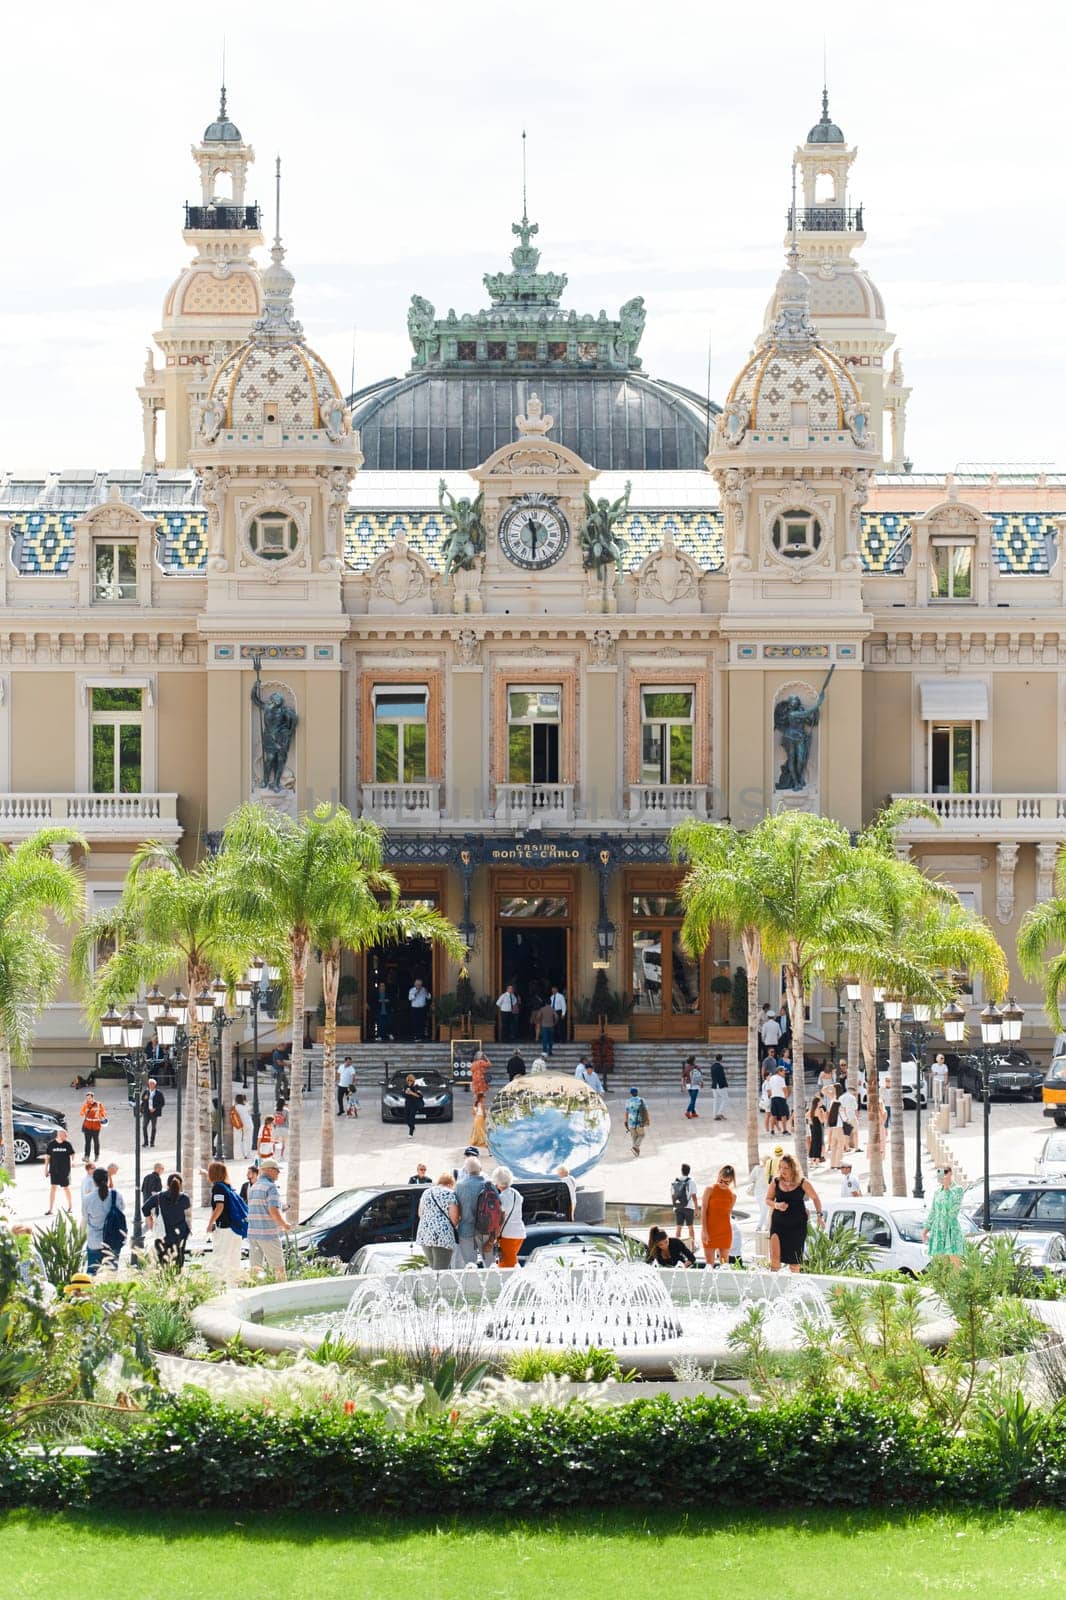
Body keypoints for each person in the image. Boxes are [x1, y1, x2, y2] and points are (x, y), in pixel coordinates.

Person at [766, 1153, 823, 1274]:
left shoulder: (803, 1183)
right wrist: (777, 1205)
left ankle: (793, 1288)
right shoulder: (775, 1182)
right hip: (778, 1224)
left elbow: (816, 1198)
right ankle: (773, 1288)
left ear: (793, 1168)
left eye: (786, 1168)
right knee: (775, 1258)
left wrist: (819, 1216)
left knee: (794, 1261)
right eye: (780, 1167)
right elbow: (768, 1200)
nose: (782, 1170)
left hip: (797, 1226)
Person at [247, 1158, 290, 1278]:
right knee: (279, 1269)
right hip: (268, 1234)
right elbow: (273, 1210)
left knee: (256, 1270)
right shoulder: (271, 1187)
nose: (278, 1173)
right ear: (269, 1170)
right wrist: (284, 1225)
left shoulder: (253, 1187)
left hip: (253, 1234)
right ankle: (282, 1294)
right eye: (276, 1170)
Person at [205, 1160, 246, 1281]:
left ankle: (218, 1287)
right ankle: (233, 1287)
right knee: (234, 1260)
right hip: (235, 1229)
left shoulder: (218, 1187)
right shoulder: (228, 1187)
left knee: (220, 1258)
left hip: (225, 1228)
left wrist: (210, 1223)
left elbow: (219, 1206)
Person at [142, 1172, 191, 1270]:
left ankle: (165, 1282)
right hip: (180, 1234)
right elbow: (187, 1206)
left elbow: (145, 1208)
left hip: (163, 1234)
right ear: (180, 1185)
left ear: (167, 1184)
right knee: (178, 1261)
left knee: (162, 1264)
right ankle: (177, 1281)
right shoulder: (184, 1198)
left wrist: (150, 1220)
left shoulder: (159, 1197)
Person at [450, 1154, 490, 1267]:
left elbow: (455, 1207)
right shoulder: (489, 1185)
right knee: (490, 1264)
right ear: (480, 1169)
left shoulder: (459, 1186)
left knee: (470, 1265)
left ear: (466, 1170)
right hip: (485, 1230)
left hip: (466, 1229)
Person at [84, 1166, 126, 1275]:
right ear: (107, 1179)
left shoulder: (88, 1199)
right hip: (113, 1240)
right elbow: (122, 1210)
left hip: (94, 1240)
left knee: (93, 1274)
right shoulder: (116, 1195)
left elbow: (84, 1220)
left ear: (94, 1181)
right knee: (112, 1274)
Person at [923, 1165, 965, 1265]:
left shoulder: (958, 1190)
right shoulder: (937, 1192)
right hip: (938, 1230)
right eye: (940, 1172)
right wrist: (925, 1231)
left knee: (955, 1266)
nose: (943, 1175)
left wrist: (947, 1189)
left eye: (945, 1172)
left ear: (950, 1173)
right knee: (940, 1265)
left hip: (951, 1230)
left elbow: (953, 1211)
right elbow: (933, 1212)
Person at [416, 1172, 457, 1269]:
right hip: (442, 1236)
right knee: (441, 1270)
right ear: (451, 1183)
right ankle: (439, 1285)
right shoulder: (450, 1193)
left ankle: (433, 1284)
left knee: (433, 1268)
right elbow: (454, 1218)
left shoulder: (426, 1192)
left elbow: (420, 1214)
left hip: (425, 1235)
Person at [702, 1165, 737, 1267]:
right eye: (721, 1181)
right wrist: (704, 1231)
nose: (723, 1184)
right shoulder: (710, 1189)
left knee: (724, 1264)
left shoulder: (732, 1196)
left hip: (725, 1232)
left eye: (727, 1182)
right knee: (709, 1264)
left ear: (731, 1181)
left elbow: (727, 1215)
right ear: (718, 1176)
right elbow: (704, 1210)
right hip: (709, 1230)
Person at [494, 1166, 526, 1267]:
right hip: (519, 1232)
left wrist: (495, 1234)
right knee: (510, 1260)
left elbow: (500, 1218)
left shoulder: (502, 1197)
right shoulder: (516, 1193)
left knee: (507, 1265)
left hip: (508, 1234)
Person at [44, 1125, 75, 1214]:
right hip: (54, 1170)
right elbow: (47, 1157)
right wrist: (46, 1169)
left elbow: (72, 1154)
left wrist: (73, 1161)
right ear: (60, 1135)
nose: (66, 1137)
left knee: (66, 1187)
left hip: (65, 1170)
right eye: (65, 1135)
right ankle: (50, 1209)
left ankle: (70, 1207)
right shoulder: (51, 1144)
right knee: (53, 1187)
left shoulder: (67, 1144)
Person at [671, 1162, 698, 1246]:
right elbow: (694, 1196)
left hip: (678, 1207)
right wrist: (697, 1209)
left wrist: (675, 1206)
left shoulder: (675, 1181)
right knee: (690, 1227)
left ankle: (676, 1246)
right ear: (689, 1171)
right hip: (689, 1207)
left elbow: (673, 1195)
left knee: (678, 1228)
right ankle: (692, 1246)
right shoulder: (691, 1182)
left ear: (681, 1171)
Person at [624, 1086, 650, 1156]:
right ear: (637, 1092)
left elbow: (626, 1112)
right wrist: (647, 1120)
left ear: (631, 1093)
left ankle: (636, 1151)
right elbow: (646, 1111)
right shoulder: (641, 1100)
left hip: (631, 1122)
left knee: (634, 1136)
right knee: (642, 1135)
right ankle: (635, 1147)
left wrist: (625, 1122)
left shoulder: (628, 1101)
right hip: (639, 1122)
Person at [79, 1093, 106, 1161]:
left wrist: (99, 1114)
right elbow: (81, 1113)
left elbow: (104, 1113)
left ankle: (96, 1156)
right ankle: (86, 1156)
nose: (88, 1099)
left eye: (89, 1098)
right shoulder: (85, 1105)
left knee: (96, 1141)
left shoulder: (99, 1104)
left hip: (96, 1127)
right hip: (87, 1126)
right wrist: (85, 1112)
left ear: (93, 1098)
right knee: (87, 1142)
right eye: (87, 1098)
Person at [140, 1078, 165, 1148]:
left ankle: (152, 1142)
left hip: (154, 1113)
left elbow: (162, 1103)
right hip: (146, 1112)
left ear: (155, 1085)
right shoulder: (146, 1091)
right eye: (149, 1084)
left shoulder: (159, 1093)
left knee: (153, 1127)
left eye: (152, 1084)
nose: (150, 1085)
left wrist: (155, 1108)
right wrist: (144, 1098)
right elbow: (142, 1099)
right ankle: (145, 1142)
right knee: (144, 1127)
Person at [765, 1064, 789, 1135]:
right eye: (783, 1071)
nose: (784, 1073)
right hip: (781, 1098)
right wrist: (786, 1096)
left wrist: (771, 1095)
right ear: (779, 1071)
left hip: (773, 1098)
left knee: (773, 1115)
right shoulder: (781, 1079)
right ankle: (784, 1130)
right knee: (783, 1115)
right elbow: (784, 1089)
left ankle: (772, 1130)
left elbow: (769, 1089)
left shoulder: (771, 1078)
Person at [838, 1081, 860, 1152]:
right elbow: (855, 1108)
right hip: (851, 1116)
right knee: (855, 1132)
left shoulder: (841, 1097)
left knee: (846, 1133)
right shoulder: (852, 1097)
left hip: (843, 1118)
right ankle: (857, 1148)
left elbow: (840, 1107)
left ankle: (846, 1148)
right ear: (852, 1091)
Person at [826, 1093, 846, 1169]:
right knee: (840, 1147)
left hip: (834, 1130)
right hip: (839, 1130)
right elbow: (845, 1119)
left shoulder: (832, 1114)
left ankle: (832, 1164)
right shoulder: (840, 1112)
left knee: (833, 1147)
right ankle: (838, 1164)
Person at [232, 1093, 253, 1159]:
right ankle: (248, 1154)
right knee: (249, 1139)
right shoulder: (246, 1105)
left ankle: (243, 1154)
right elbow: (250, 1110)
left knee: (241, 1140)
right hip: (248, 1124)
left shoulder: (235, 1107)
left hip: (240, 1124)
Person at [808, 1094, 826, 1166]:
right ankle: (817, 1162)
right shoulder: (819, 1110)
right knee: (818, 1144)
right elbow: (822, 1121)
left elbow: (807, 1116)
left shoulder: (812, 1110)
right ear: (817, 1103)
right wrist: (823, 1113)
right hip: (818, 1128)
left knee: (813, 1144)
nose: (821, 1103)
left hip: (813, 1127)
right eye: (820, 1102)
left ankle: (812, 1161)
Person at [710, 1055, 728, 1120]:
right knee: (725, 1099)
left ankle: (715, 1115)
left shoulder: (712, 1066)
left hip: (714, 1085)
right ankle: (720, 1113)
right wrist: (725, 1084)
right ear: (721, 1059)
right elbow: (722, 1077)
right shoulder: (720, 1067)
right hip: (720, 1085)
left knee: (715, 1100)